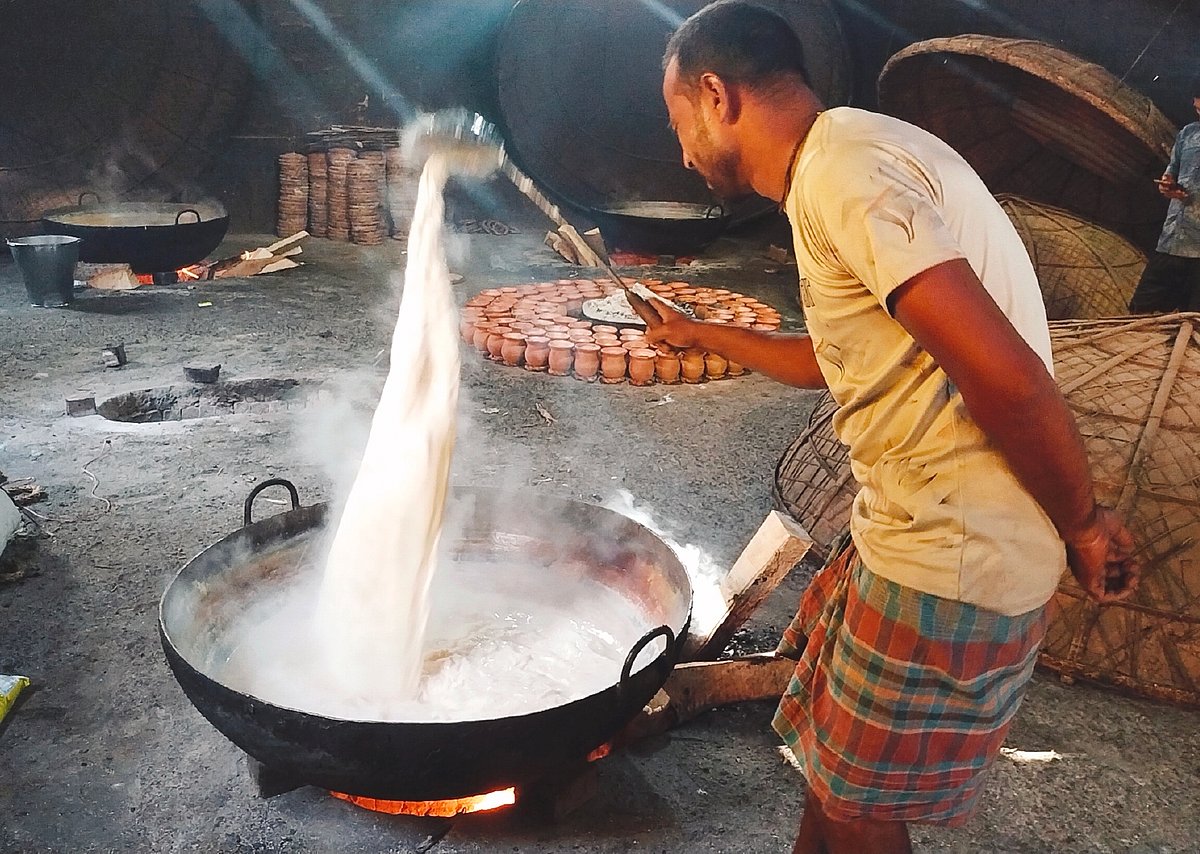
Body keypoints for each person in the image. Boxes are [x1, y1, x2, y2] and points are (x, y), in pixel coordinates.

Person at [649, 3, 1141, 853]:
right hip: (910, 533)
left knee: (859, 812)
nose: (681, 152)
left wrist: (1085, 522)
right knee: (833, 782)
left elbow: (1011, 383)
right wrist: (699, 333)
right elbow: (833, 356)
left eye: (677, 124)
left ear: (715, 95)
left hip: (950, 555)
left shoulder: (848, 174)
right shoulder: (844, 155)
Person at [1128, 90, 1200, 313]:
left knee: (1194, 326)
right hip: (1171, 243)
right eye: (1198, 109)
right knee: (1140, 314)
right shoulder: (1188, 134)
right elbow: (1173, 173)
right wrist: (1168, 185)